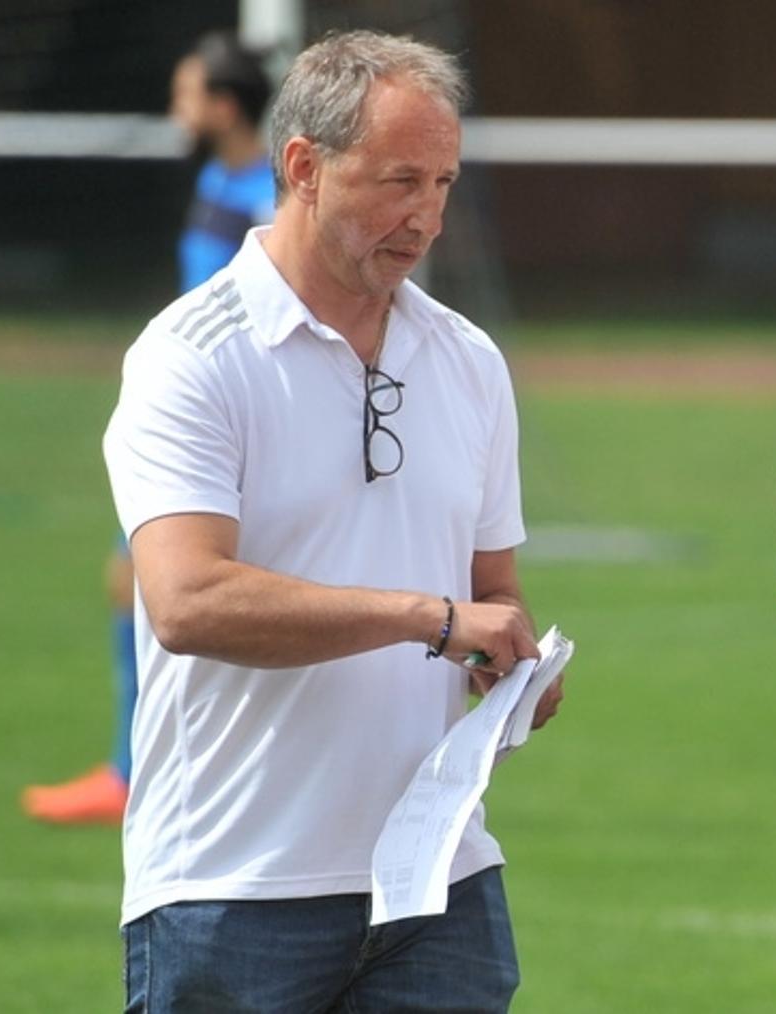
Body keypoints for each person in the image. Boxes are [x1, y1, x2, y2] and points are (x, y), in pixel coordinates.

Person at [103, 30, 561, 1011]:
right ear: (305, 167)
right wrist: (428, 619)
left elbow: (491, 590)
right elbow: (188, 602)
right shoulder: (189, 357)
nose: (428, 216)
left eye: (443, 183)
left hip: (437, 879)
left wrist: (509, 662)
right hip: (231, 884)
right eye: (401, 181)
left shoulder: (470, 360)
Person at [22, 31, 276, 825]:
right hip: (194, 403)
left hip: (235, 419)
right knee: (131, 577)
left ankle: (147, 774)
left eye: (187, 93)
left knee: (178, 585)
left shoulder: (270, 196)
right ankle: (133, 769)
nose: (176, 109)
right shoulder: (219, 176)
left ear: (224, 106)